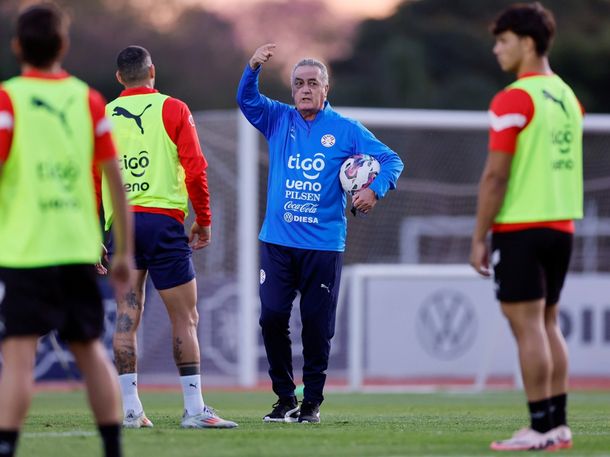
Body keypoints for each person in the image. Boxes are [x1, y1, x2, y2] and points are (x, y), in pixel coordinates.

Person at [237, 44, 404, 423]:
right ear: (292, 90)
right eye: (299, 83)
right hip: (277, 242)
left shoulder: (346, 130)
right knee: (272, 317)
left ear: (326, 89)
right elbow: (246, 99)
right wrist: (252, 69)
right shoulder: (278, 119)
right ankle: (284, 398)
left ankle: (311, 402)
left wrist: (373, 190)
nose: (306, 89)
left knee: (316, 325)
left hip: (324, 246)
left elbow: (392, 160)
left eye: (313, 83)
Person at [0, 4, 133, 457]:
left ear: (17, 46)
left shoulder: (8, 98)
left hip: (25, 250)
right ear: (65, 45)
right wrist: (124, 252)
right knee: (89, 349)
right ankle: (112, 446)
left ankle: (6, 447)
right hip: (78, 249)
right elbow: (115, 180)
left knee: (18, 354)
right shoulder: (88, 99)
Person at [99, 45, 237, 429]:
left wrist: (96, 233)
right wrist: (204, 219)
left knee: (127, 316)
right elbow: (195, 169)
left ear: (119, 78)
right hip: (161, 222)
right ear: (152, 72)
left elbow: (93, 180)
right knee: (185, 318)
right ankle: (194, 410)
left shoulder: (104, 115)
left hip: (121, 228)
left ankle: (130, 410)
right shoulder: (173, 108)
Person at [469, 2, 582, 452]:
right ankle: (557, 425)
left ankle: (538, 429)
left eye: (503, 40)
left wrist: (479, 235)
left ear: (528, 42)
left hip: (521, 225)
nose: (497, 49)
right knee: (548, 322)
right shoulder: (568, 97)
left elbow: (496, 175)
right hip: (562, 225)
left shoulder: (514, 97)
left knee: (528, 327)